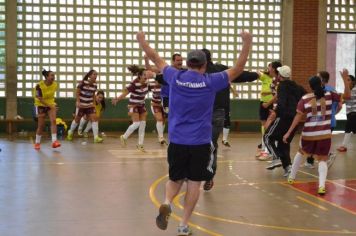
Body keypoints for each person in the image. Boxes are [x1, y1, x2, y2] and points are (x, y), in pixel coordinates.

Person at [136, 30, 252, 235]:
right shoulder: (210, 81)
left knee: (175, 178)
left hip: (177, 140)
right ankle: (183, 225)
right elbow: (239, 68)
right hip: (199, 141)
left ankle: (166, 202)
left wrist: (142, 41)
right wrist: (247, 41)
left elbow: (155, 57)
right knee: (194, 183)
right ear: (205, 65)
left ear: (187, 63)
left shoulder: (174, 76)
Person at [201, 48, 259, 191]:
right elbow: (240, 74)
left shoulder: (194, 73)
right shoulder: (221, 70)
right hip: (218, 112)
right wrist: (257, 75)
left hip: (200, 113)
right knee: (211, 144)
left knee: (196, 142)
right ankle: (208, 176)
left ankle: (194, 173)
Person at [284, 75, 342, 195]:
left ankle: (291, 177)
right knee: (322, 159)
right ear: (322, 84)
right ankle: (321, 186)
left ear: (310, 86)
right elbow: (345, 97)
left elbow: (298, 116)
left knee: (300, 152)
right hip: (324, 134)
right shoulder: (330, 95)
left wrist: (288, 132)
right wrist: (346, 81)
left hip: (308, 134)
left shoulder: (305, 98)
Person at [264, 65, 306, 177]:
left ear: (280, 76)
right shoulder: (297, 86)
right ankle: (288, 168)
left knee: (267, 137)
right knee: (284, 142)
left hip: (284, 118)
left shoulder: (282, 86)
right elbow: (306, 96)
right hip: (294, 119)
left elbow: (282, 102)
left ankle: (276, 157)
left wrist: (275, 112)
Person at [112, 65, 156, 152]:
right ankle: (124, 137)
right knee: (136, 124)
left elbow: (157, 86)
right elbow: (125, 93)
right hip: (133, 105)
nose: (146, 77)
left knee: (143, 125)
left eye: (147, 75)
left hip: (142, 105)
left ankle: (140, 145)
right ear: (139, 76)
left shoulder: (148, 84)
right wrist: (117, 99)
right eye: (144, 75)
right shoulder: (134, 83)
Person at [304, 71, 342, 169]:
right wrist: (334, 113)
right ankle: (310, 161)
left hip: (324, 121)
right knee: (317, 141)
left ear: (321, 79)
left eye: (317, 77)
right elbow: (340, 104)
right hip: (329, 120)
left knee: (317, 142)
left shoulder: (325, 90)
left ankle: (329, 155)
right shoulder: (331, 89)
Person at [67, 69, 103, 143]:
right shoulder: (82, 83)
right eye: (94, 74)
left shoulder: (95, 85)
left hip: (89, 105)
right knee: (77, 120)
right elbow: (77, 92)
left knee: (94, 119)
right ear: (89, 76)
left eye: (96, 75)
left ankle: (96, 137)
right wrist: (78, 101)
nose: (96, 76)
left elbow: (93, 95)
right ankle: (70, 132)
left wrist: (93, 103)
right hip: (81, 105)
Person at [255, 61, 282, 160]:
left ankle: (269, 151)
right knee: (265, 126)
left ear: (274, 69)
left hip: (273, 106)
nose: (268, 68)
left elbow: (277, 95)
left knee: (270, 127)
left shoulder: (277, 80)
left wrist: (268, 104)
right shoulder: (268, 78)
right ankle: (265, 148)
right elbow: (257, 73)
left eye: (269, 67)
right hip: (265, 104)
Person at [33, 69, 61, 150]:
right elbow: (40, 99)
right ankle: (37, 143)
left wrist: (52, 106)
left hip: (50, 104)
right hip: (40, 105)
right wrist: (51, 106)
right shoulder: (39, 86)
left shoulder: (55, 85)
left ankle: (54, 141)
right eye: (51, 75)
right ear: (46, 77)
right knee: (41, 125)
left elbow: (51, 97)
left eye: (54, 75)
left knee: (53, 121)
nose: (53, 77)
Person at [337, 72, 355, 152]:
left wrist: (338, 95)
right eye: (346, 80)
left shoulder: (354, 90)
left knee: (347, 128)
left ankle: (343, 146)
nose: (347, 82)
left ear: (353, 82)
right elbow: (344, 100)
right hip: (350, 113)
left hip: (354, 113)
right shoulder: (349, 90)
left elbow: (346, 97)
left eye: (348, 80)